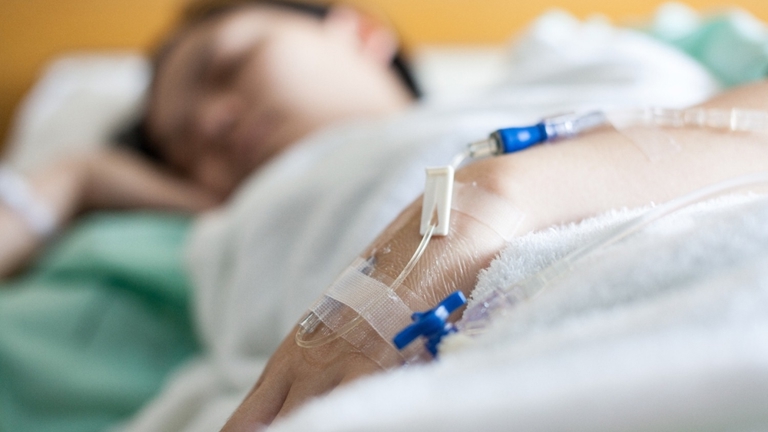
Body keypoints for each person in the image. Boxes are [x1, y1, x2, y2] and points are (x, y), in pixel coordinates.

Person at [2, 1, 768, 431]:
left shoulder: (571, 58)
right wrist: (73, 175)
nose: (210, 122)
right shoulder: (216, 242)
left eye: (227, 67)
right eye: (178, 147)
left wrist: (493, 197)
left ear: (360, 31)